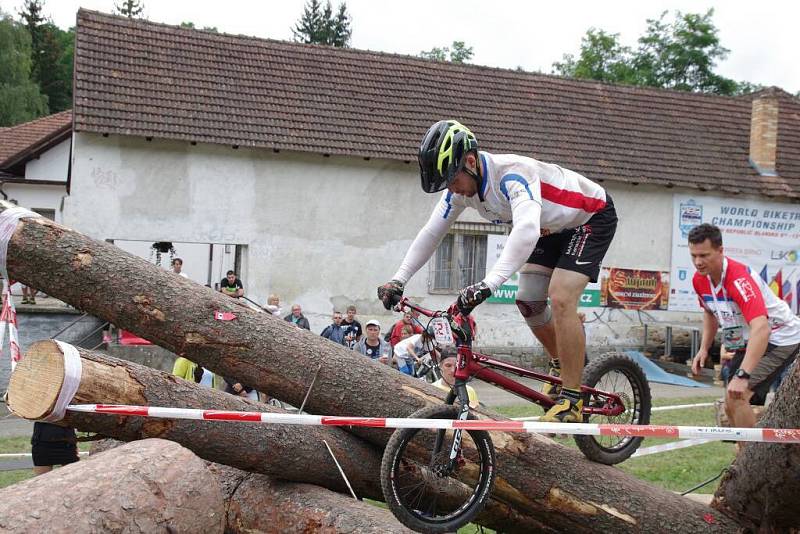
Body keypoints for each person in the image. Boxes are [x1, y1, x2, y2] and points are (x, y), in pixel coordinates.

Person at [379, 120, 616, 423]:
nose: (451, 188)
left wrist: (489, 284)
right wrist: (399, 279)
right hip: (552, 227)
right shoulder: (460, 190)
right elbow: (431, 233)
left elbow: (527, 231)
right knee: (529, 300)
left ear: (470, 161)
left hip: (590, 217)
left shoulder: (514, 174)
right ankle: (561, 360)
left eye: (452, 179)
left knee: (560, 299)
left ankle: (572, 400)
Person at [689, 224, 800, 429]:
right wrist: (704, 348)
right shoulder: (699, 279)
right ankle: (744, 457)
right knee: (731, 403)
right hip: (749, 341)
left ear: (720, 251)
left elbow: (762, 328)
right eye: (693, 255)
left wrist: (743, 375)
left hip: (781, 337)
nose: (698, 262)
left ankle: (748, 460)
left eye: (704, 255)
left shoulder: (738, 279)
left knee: (737, 397)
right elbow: (709, 311)